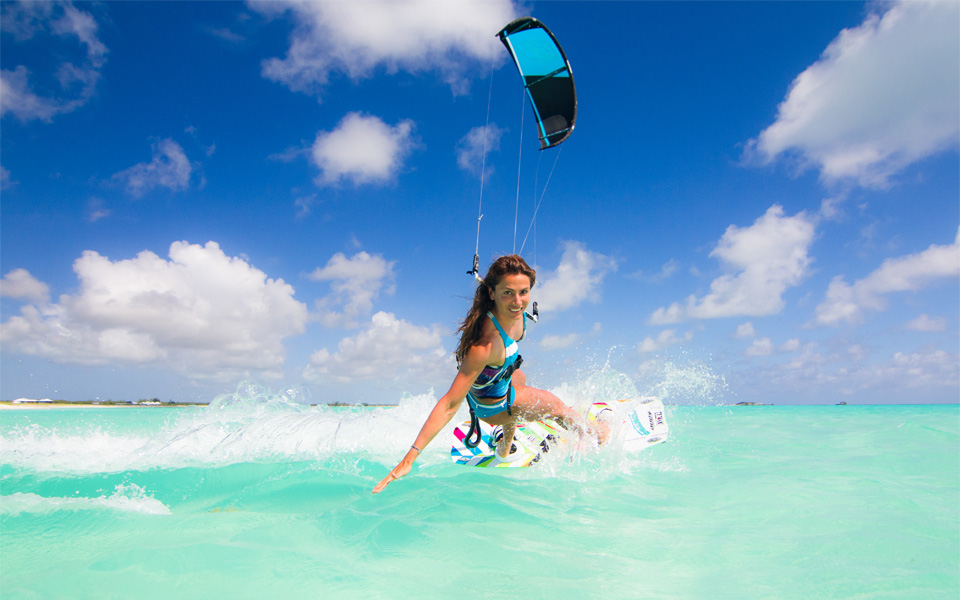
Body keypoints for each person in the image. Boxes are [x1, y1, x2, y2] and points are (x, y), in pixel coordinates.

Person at [372, 254, 607, 494]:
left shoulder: (518, 317)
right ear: (492, 293)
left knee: (520, 377)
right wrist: (409, 458)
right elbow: (450, 404)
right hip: (491, 408)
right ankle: (597, 434)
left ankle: (505, 448)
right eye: (508, 293)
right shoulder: (484, 345)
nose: (517, 302)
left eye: (523, 292)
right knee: (556, 406)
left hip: (493, 391)